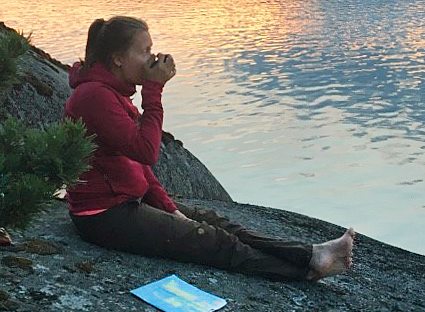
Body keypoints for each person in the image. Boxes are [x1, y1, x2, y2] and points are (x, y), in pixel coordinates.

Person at [63, 15, 354, 281]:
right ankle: (304, 272)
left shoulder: (113, 92)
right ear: (117, 59)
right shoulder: (95, 96)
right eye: (145, 51)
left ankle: (311, 254)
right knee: (213, 241)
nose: (153, 57)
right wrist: (154, 90)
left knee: (215, 222)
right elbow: (145, 151)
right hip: (104, 216)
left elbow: (137, 166)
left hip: (126, 202)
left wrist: (170, 209)